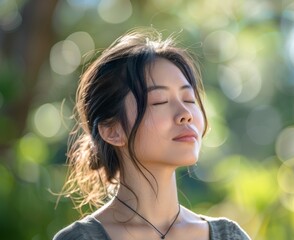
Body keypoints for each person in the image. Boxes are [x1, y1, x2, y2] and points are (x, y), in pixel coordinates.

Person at [53, 28, 251, 240]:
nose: (185, 114)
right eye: (159, 101)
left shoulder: (228, 236)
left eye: (189, 99)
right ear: (112, 131)